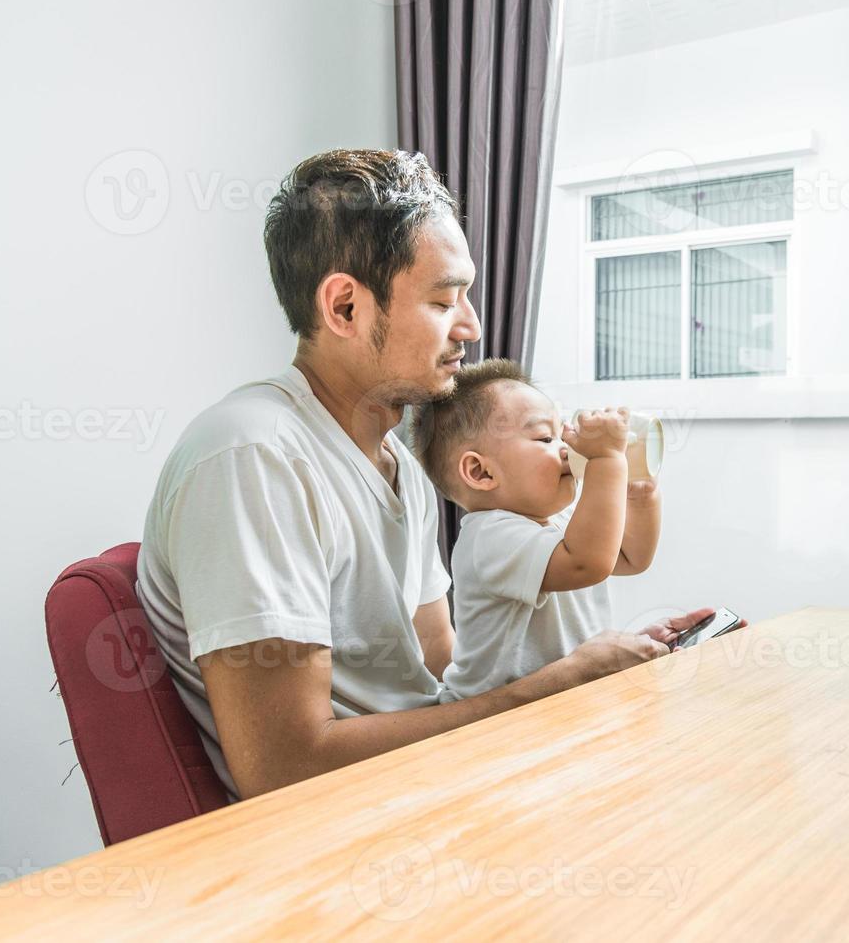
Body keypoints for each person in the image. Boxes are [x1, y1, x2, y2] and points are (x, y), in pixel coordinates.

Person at [135, 149, 715, 800]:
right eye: (443, 300)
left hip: (435, 788)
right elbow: (285, 768)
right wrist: (547, 692)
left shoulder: (400, 468)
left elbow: (442, 673)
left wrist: (581, 660)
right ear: (346, 308)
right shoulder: (253, 458)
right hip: (350, 836)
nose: (470, 326)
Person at [410, 360, 661, 699]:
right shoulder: (490, 537)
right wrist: (606, 460)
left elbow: (632, 558)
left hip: (558, 703)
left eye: (561, 434)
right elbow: (588, 563)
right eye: (545, 437)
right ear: (481, 472)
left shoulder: (557, 523)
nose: (566, 448)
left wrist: (640, 496)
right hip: (486, 726)